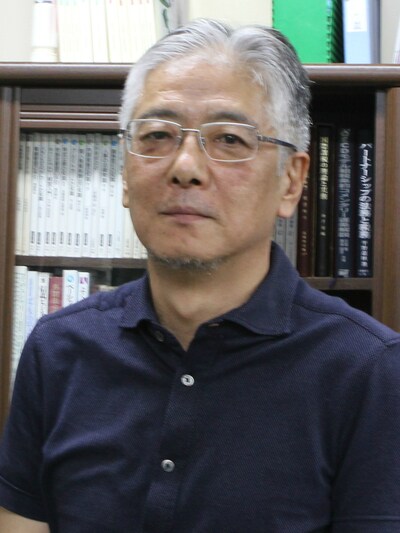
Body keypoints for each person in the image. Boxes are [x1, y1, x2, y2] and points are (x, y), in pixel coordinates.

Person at [0, 18, 400, 533]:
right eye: (157, 135)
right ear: (124, 174)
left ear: (291, 181)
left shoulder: (370, 370)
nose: (185, 167)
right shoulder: (58, 347)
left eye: (230, 139)